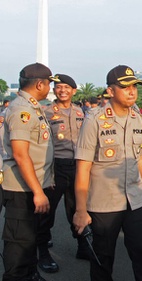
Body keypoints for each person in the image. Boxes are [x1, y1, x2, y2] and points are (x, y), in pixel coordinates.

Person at [72, 65, 142, 281]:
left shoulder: (138, 118)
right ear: (110, 91)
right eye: (125, 87)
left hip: (135, 199)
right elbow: (83, 166)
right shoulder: (94, 120)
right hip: (104, 203)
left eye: (134, 87)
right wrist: (81, 210)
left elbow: (140, 156)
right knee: (102, 259)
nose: (132, 91)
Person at [2, 62, 59, 281]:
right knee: (19, 243)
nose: (50, 89)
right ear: (40, 84)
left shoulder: (33, 107)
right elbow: (20, 154)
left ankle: (29, 274)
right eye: (49, 84)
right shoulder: (22, 110)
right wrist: (37, 192)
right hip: (22, 190)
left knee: (29, 240)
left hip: (33, 185)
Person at [38, 74, 88, 274]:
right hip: (55, 166)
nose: (62, 90)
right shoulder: (46, 112)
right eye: (59, 87)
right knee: (46, 211)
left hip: (76, 166)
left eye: (67, 87)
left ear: (74, 91)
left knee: (77, 208)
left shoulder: (81, 112)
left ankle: (83, 247)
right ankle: (42, 252)